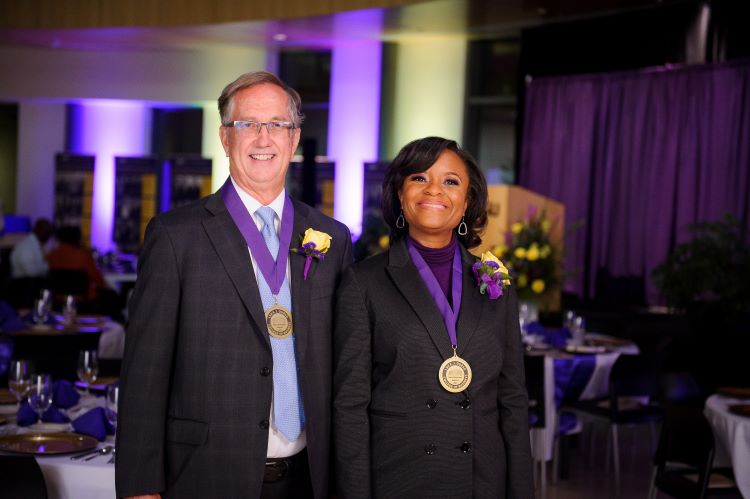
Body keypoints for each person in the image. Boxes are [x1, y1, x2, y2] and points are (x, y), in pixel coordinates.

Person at [115, 71, 353, 499]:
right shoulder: (175, 236)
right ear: (226, 138)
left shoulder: (331, 238)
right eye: (248, 125)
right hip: (206, 474)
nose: (264, 139)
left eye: (277, 125)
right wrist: (140, 486)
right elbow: (144, 375)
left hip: (311, 478)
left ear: (294, 139)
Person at [333, 137, 533, 498]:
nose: (435, 190)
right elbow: (350, 406)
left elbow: (513, 400)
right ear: (399, 193)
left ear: (468, 200)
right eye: (420, 178)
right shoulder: (363, 283)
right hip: (401, 477)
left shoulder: (496, 281)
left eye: (451, 181)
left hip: (483, 480)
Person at [47, 226, 106, 302]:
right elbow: (99, 281)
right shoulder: (83, 255)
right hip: (83, 301)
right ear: (77, 238)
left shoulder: (52, 255)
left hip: (58, 299)